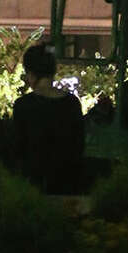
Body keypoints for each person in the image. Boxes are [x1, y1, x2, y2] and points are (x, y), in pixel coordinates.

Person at [11, 42, 85, 194]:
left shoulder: (23, 106)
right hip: (67, 182)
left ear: (31, 74)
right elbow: (78, 145)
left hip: (32, 183)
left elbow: (18, 148)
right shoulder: (71, 104)